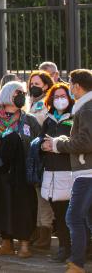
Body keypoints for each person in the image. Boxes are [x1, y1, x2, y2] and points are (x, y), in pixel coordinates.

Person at [0, 81, 40, 258]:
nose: (21, 96)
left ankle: (25, 245)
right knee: (0, 206)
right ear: (7, 94)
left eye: (22, 93)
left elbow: (37, 144)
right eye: (17, 92)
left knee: (22, 207)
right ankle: (6, 243)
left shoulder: (29, 119)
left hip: (20, 173)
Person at [42, 69, 92, 273]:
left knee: (73, 217)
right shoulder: (85, 107)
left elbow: (86, 142)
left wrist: (57, 144)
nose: (69, 88)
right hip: (85, 171)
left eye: (70, 85)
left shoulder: (86, 109)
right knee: (85, 218)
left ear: (77, 86)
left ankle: (77, 263)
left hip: (86, 173)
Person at [39, 82, 74, 263]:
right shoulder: (48, 119)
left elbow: (76, 143)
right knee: (58, 215)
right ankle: (63, 247)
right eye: (56, 96)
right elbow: (41, 141)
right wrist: (43, 145)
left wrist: (56, 146)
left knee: (71, 215)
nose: (60, 99)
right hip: (51, 173)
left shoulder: (76, 117)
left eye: (63, 96)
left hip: (69, 172)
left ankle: (75, 249)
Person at [26, 70, 55, 249]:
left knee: (44, 196)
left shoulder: (45, 104)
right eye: (32, 84)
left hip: (44, 155)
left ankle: (46, 232)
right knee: (37, 196)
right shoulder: (32, 103)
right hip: (33, 155)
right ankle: (38, 230)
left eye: (37, 84)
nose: (33, 87)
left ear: (46, 85)